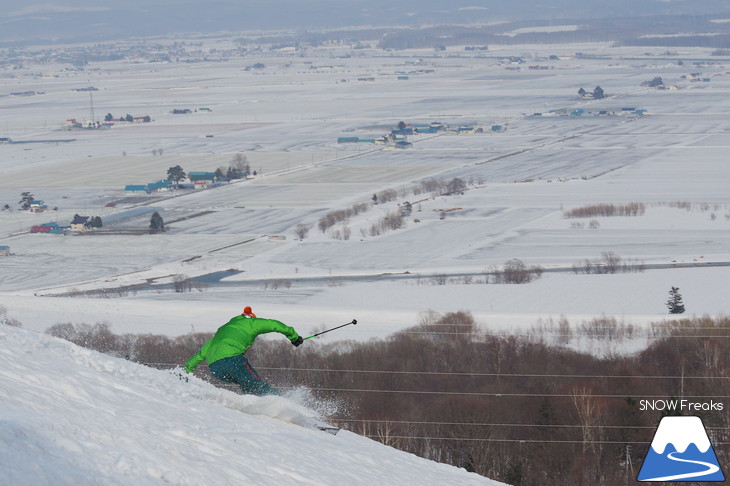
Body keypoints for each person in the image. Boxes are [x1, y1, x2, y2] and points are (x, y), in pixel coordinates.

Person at [185, 306, 303, 396]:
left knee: (247, 384)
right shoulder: (251, 323)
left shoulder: (223, 329)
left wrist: (186, 371)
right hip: (232, 361)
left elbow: (201, 354)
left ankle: (254, 404)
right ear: (250, 316)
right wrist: (294, 337)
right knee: (257, 384)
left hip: (215, 369)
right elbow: (274, 324)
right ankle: (282, 403)